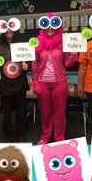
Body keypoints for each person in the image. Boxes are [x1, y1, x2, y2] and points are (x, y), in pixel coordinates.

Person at [32, 12, 78, 145]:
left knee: (59, 113)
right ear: (43, 26)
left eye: (53, 25)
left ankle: (59, 138)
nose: (50, 28)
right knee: (45, 112)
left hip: (59, 83)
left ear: (57, 26)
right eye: (47, 25)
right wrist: (35, 81)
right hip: (43, 83)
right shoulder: (37, 43)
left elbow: (66, 64)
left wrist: (73, 57)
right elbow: (34, 64)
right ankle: (46, 136)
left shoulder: (63, 43)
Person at [0, 17, 30, 142]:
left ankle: (21, 135)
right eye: (6, 30)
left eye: (11, 29)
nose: (9, 32)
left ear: (14, 31)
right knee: (6, 115)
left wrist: (26, 66)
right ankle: (8, 136)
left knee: (20, 113)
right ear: (3, 32)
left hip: (19, 85)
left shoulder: (21, 45)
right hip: (5, 86)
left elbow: (28, 62)